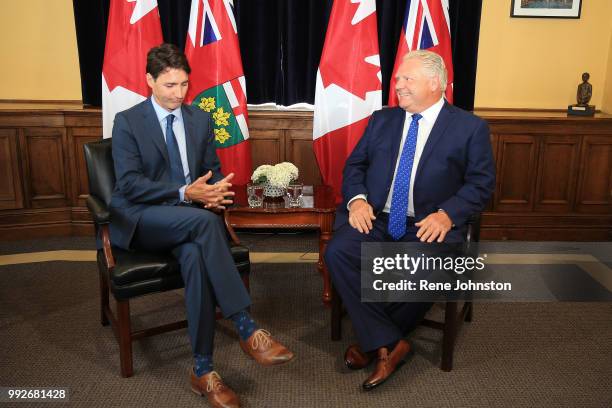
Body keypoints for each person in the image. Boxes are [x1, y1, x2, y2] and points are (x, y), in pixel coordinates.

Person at [109, 43, 293, 408]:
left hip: (190, 223)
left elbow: (212, 169)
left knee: (194, 255)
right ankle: (244, 325)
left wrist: (218, 189)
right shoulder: (128, 121)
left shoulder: (199, 119)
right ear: (149, 81)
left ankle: (203, 371)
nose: (178, 94)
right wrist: (186, 192)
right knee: (203, 224)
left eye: (183, 85)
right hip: (145, 217)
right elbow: (129, 184)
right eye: (169, 86)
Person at [324, 50, 495, 390]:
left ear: (435, 83)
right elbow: (355, 166)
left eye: (406, 79)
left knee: (425, 266)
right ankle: (389, 342)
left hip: (429, 223)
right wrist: (357, 201)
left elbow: (482, 183)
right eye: (397, 79)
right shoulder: (382, 120)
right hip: (378, 218)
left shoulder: (469, 127)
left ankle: (374, 341)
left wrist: (449, 214)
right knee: (338, 252)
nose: (397, 85)